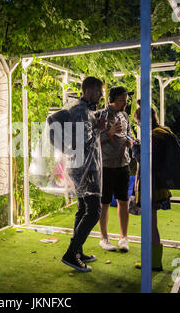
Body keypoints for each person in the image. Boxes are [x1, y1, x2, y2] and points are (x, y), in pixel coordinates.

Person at [61, 76, 106, 272]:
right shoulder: (80, 112)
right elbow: (79, 145)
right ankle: (71, 253)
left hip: (82, 167)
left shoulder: (85, 111)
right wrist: (98, 130)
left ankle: (77, 250)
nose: (101, 95)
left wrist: (97, 128)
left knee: (82, 209)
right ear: (88, 90)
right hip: (84, 169)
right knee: (94, 211)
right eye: (98, 91)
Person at [132, 103, 171, 271]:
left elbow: (147, 161)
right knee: (151, 222)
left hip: (152, 186)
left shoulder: (154, 136)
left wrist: (135, 150)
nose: (138, 125)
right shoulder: (163, 132)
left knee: (150, 223)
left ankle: (153, 262)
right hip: (160, 185)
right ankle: (154, 261)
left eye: (138, 122)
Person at [98, 86, 134, 252]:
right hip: (106, 166)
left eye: (126, 100)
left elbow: (129, 134)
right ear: (114, 99)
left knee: (123, 201)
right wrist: (109, 133)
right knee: (104, 203)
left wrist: (130, 141)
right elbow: (93, 140)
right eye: (123, 100)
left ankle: (123, 238)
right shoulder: (101, 115)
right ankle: (104, 238)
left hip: (123, 164)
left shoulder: (124, 115)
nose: (126, 103)